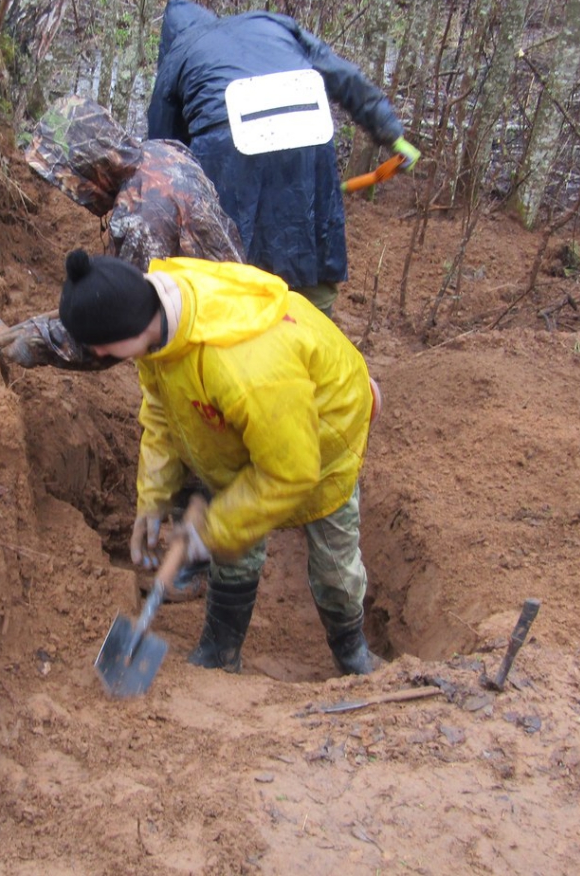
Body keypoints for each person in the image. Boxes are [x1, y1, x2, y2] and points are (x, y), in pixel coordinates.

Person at [57, 247, 383, 676]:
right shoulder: (160, 331)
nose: (98, 356)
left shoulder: (246, 368)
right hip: (240, 437)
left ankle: (351, 647)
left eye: (100, 347)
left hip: (321, 448)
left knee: (333, 566)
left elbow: (291, 470)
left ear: (125, 327)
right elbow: (161, 414)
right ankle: (220, 650)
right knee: (233, 548)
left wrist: (212, 527)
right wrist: (153, 499)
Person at [147, 0, 421, 317]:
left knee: (228, 253)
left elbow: (163, 149)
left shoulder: (179, 53)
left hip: (228, 140)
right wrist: (391, 132)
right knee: (309, 227)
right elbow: (343, 75)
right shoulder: (269, 22)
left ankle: (240, 328)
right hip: (309, 135)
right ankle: (314, 327)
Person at [0, 94, 244, 369]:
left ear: (88, 167)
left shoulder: (142, 218)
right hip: (233, 290)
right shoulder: (162, 151)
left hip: (216, 339)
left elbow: (121, 322)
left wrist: (40, 342)